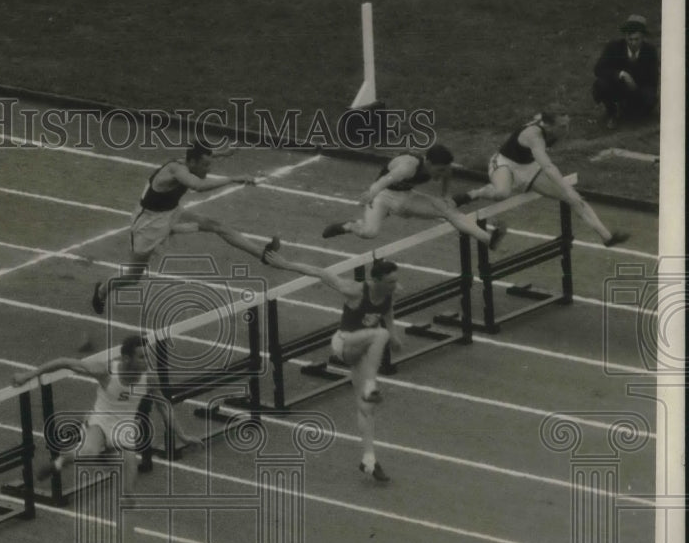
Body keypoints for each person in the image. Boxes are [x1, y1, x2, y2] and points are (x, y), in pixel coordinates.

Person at [12, 334, 202, 543]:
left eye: (148, 355)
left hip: (124, 431)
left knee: (128, 496)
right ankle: (61, 461)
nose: (147, 360)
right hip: (100, 422)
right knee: (89, 452)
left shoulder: (149, 379)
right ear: (126, 358)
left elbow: (164, 406)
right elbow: (64, 361)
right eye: (142, 357)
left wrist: (183, 436)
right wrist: (27, 376)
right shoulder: (106, 372)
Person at [92, 142, 280, 314]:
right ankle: (101, 291)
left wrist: (223, 152)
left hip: (172, 214)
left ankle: (262, 254)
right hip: (148, 226)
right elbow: (197, 186)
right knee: (133, 277)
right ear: (192, 162)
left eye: (209, 163)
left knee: (216, 225)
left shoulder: (191, 161)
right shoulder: (176, 170)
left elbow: (204, 155)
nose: (209, 168)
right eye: (205, 165)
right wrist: (233, 178)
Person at [264, 251, 400, 483]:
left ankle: (369, 460)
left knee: (366, 408)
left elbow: (387, 312)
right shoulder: (355, 290)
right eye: (390, 282)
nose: (395, 286)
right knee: (380, 334)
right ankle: (370, 385)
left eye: (395, 281)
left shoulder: (389, 293)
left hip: (363, 349)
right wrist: (286, 263)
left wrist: (395, 336)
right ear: (375, 281)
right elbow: (320, 273)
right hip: (344, 343)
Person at [452, 111, 630, 247]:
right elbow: (548, 167)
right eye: (561, 127)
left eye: (567, 125)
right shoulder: (534, 136)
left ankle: (607, 237)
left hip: (528, 167)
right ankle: (474, 193)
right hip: (504, 163)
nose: (566, 130)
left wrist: (570, 193)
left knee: (573, 198)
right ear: (549, 126)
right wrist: (567, 188)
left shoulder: (547, 122)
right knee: (502, 192)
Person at [321, 145, 507, 250]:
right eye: (438, 170)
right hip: (382, 198)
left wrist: (446, 195)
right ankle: (349, 226)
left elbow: (449, 175)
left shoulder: (443, 167)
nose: (441, 174)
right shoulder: (408, 166)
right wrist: (372, 192)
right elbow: (384, 181)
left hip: (407, 197)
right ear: (428, 163)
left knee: (449, 211)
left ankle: (488, 239)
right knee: (370, 233)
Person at [592, 14, 660, 130]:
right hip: (617, 86)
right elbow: (599, 69)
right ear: (625, 36)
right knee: (600, 84)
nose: (633, 43)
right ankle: (612, 111)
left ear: (643, 37)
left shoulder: (650, 51)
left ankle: (628, 109)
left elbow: (653, 79)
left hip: (639, 88)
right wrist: (621, 74)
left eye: (636, 39)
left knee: (649, 98)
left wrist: (635, 84)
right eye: (630, 39)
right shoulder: (614, 47)